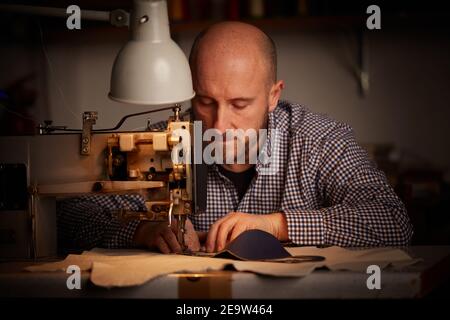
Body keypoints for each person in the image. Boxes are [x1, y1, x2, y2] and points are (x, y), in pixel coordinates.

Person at [57, 22, 413, 254]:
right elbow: (69, 217)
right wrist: (142, 231)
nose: (219, 124)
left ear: (274, 95)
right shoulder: (163, 139)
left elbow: (393, 221)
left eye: (240, 103)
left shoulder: (319, 140)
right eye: (205, 101)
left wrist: (275, 225)